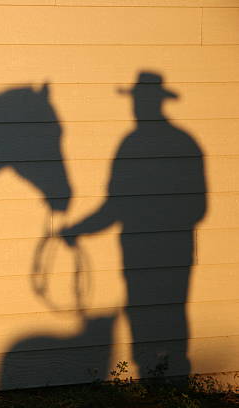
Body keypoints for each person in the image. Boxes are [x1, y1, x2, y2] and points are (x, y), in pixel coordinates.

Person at [61, 71, 206, 377]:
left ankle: (170, 374)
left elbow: (195, 204)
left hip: (158, 245)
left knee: (162, 306)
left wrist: (82, 228)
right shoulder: (168, 142)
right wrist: (80, 229)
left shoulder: (140, 143)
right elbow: (116, 204)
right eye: (138, 100)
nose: (138, 106)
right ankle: (158, 374)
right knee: (152, 307)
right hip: (153, 245)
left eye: (142, 100)